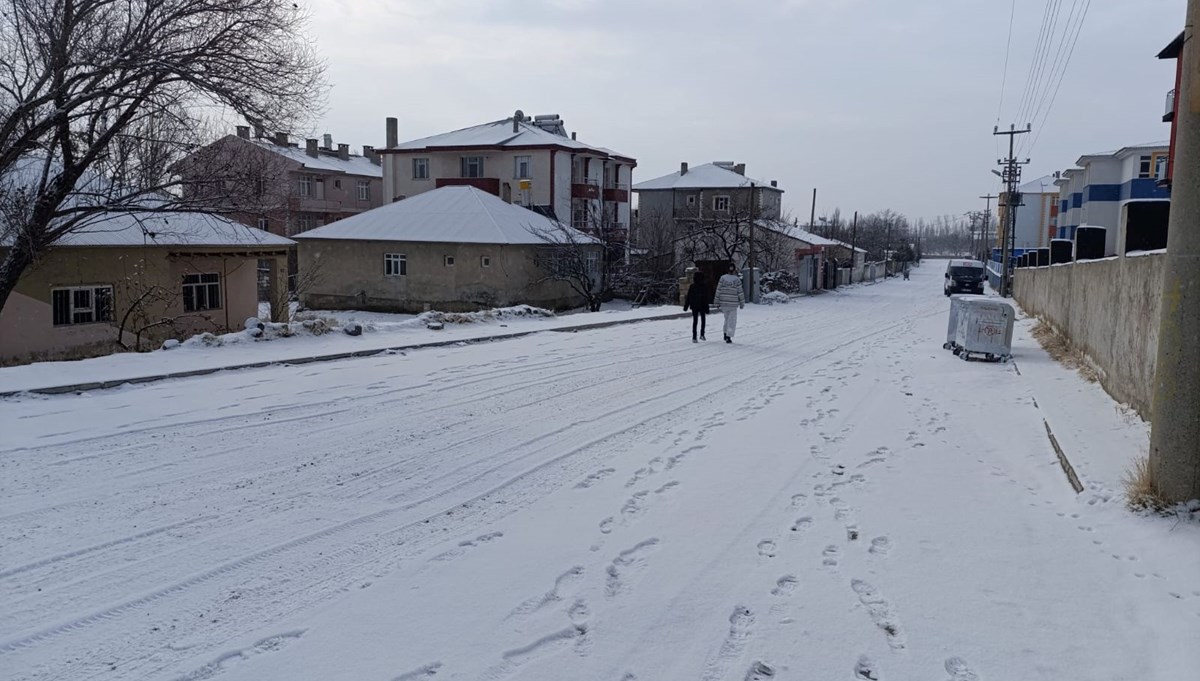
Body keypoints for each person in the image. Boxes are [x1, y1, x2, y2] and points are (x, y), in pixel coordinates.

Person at [714, 264, 746, 343]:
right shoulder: (737, 280)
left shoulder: (722, 278)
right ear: (734, 270)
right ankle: (728, 336)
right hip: (733, 303)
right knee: (731, 320)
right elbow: (740, 292)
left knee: (726, 319)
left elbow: (718, 290)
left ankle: (725, 333)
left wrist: (716, 301)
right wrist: (742, 302)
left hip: (724, 302)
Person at [682, 271, 710, 342]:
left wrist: (686, 306)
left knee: (695, 321)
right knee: (703, 320)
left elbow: (688, 297)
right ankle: (702, 334)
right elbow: (706, 298)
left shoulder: (692, 286)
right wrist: (707, 308)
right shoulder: (704, 286)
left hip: (694, 305)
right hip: (702, 306)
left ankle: (694, 337)